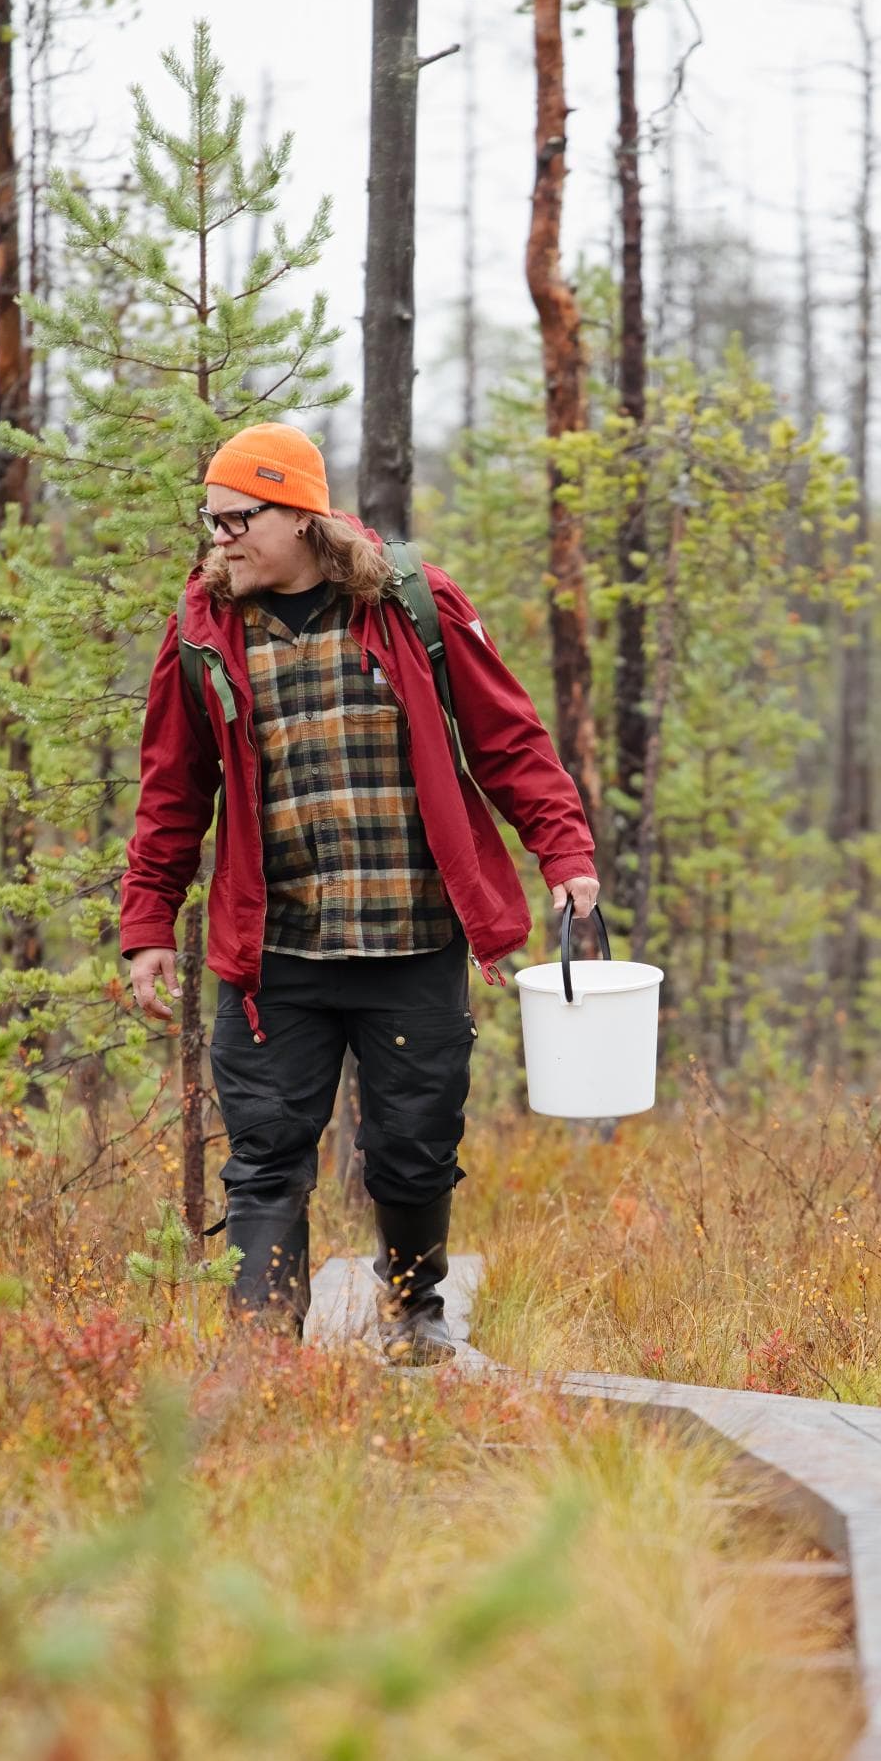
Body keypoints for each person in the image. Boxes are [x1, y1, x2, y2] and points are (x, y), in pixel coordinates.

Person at [120, 422, 598, 1366]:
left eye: (234, 521)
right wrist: (148, 924)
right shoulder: (203, 630)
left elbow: (510, 742)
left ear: (298, 516)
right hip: (275, 957)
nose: (217, 541)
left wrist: (566, 859)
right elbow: (171, 790)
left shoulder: (411, 603)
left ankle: (416, 1316)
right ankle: (261, 1351)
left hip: (411, 941)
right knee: (265, 1155)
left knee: (415, 1146)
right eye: (209, 522)